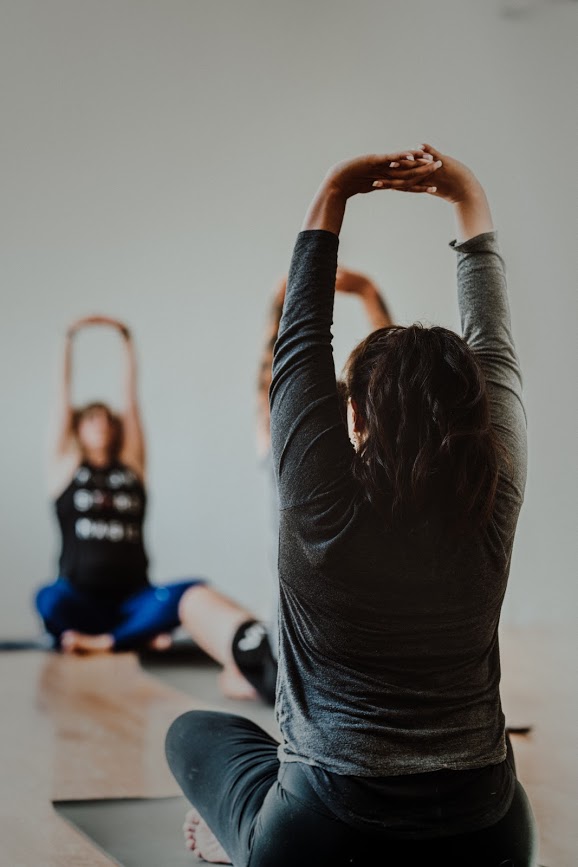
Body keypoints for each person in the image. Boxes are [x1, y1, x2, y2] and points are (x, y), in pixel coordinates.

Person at [166, 144, 537, 866]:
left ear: (356, 421)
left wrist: (335, 190)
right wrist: (468, 198)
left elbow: (300, 341)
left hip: (325, 835)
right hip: (490, 833)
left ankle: (235, 841)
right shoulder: (492, 500)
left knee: (194, 733)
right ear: (476, 418)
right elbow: (495, 345)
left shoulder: (319, 506)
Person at [177, 271, 393, 704]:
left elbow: (269, 377)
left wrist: (282, 303)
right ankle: (255, 672)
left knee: (193, 601)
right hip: (367, 656)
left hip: (299, 659)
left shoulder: (286, 456)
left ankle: (257, 674)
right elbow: (395, 383)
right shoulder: (383, 461)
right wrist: (370, 295)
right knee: (239, 670)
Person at [35, 315, 203, 653]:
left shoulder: (131, 466)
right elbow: (61, 399)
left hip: (133, 599)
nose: (101, 425)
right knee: (48, 599)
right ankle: (136, 637)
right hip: (80, 599)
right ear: (78, 430)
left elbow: (131, 400)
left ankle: (106, 641)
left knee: (191, 593)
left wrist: (125, 339)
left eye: (107, 420)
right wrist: (68, 337)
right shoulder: (66, 469)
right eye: (92, 420)